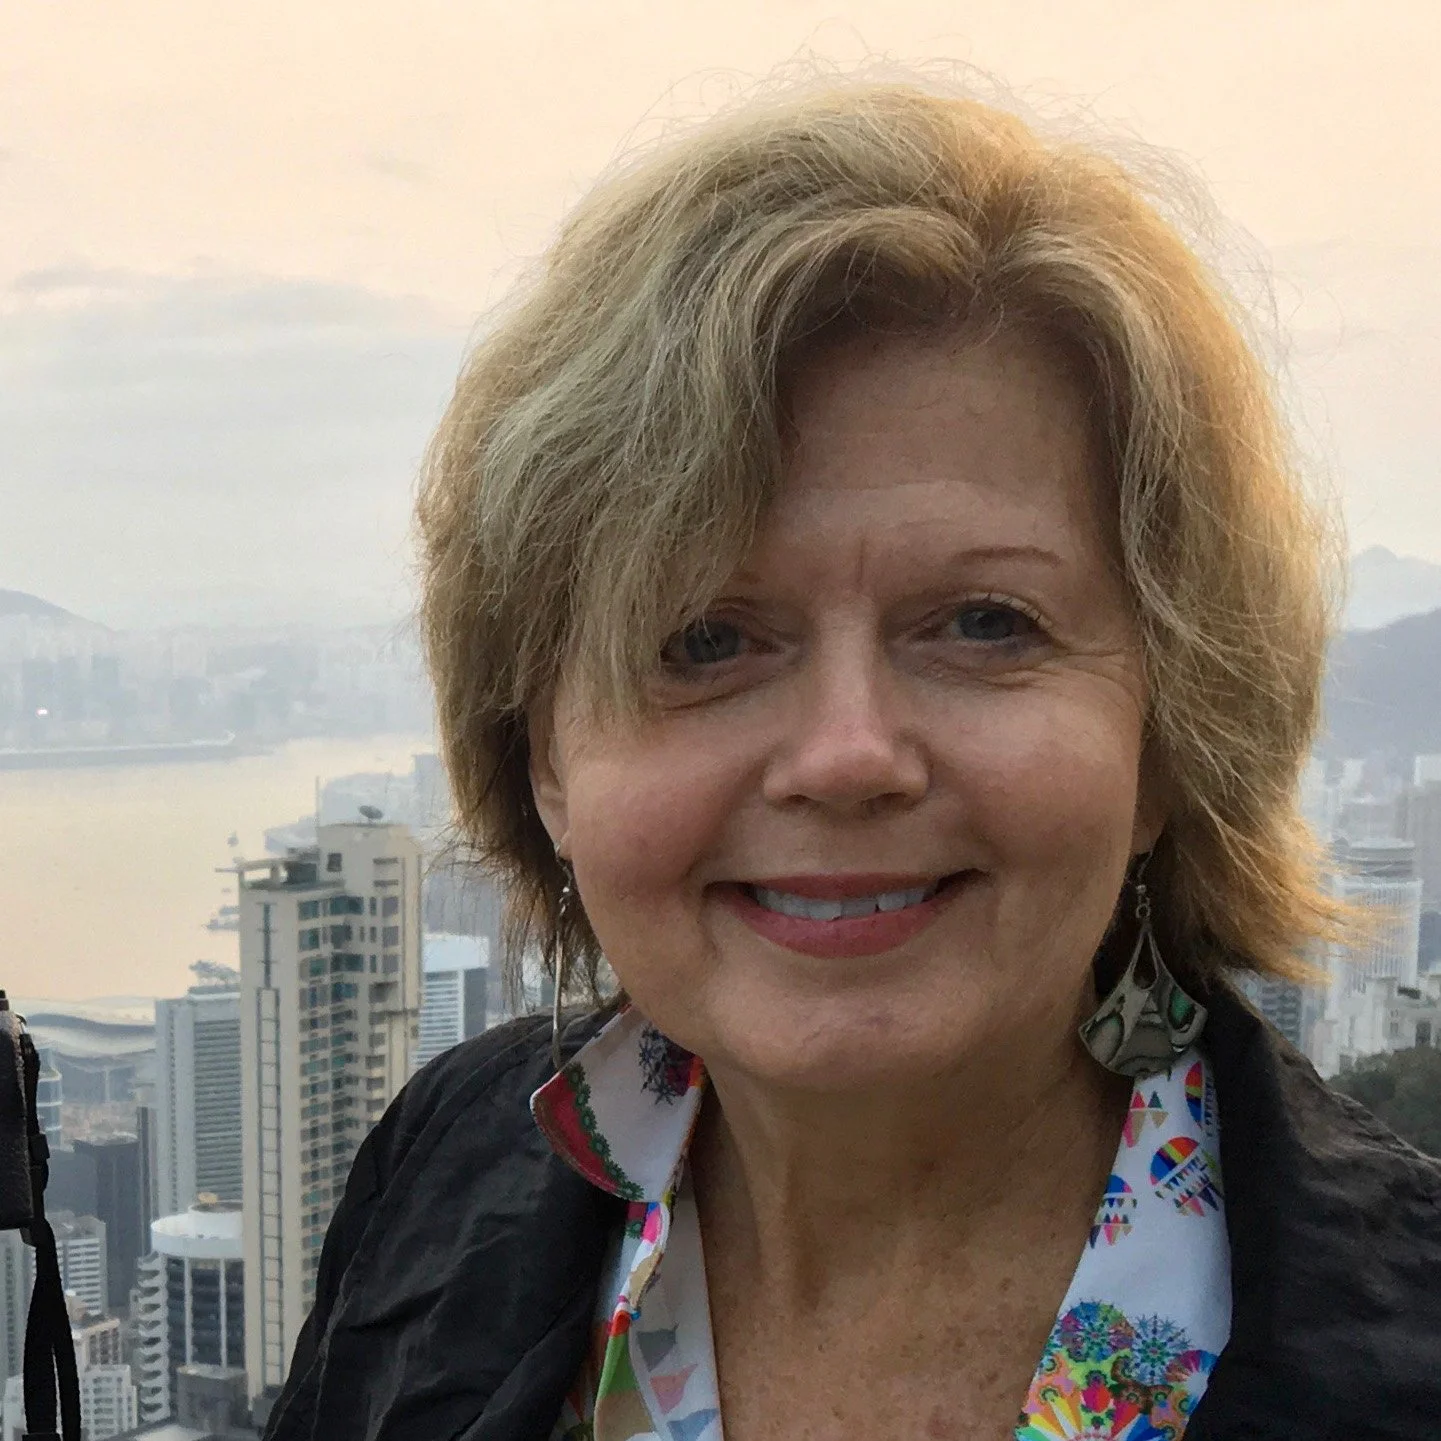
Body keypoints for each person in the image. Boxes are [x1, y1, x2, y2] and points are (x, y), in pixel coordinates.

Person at [262, 81, 1441, 1441]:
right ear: (546, 765)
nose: (846, 756)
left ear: (1174, 735)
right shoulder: (448, 1160)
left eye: (987, 623)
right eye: (705, 639)